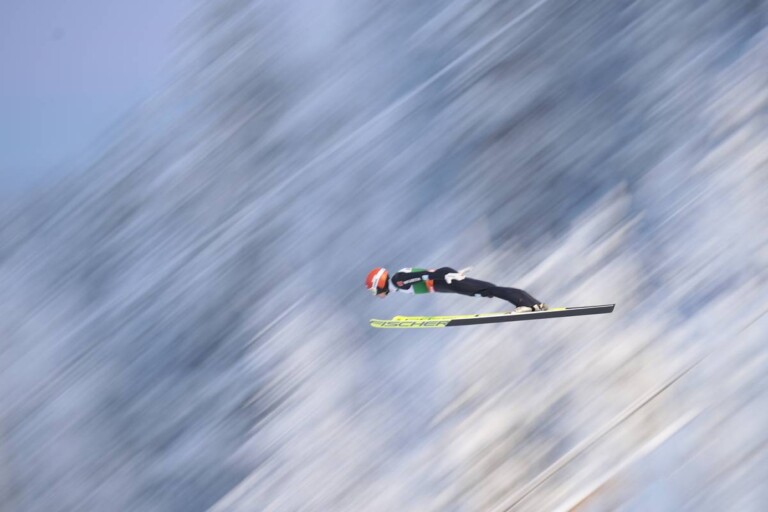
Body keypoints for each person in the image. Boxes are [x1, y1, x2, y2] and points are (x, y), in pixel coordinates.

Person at [365, 267, 548, 312]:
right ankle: (536, 305)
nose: (376, 295)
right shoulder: (398, 283)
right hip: (444, 285)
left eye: (374, 290)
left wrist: (449, 274)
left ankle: (527, 305)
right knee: (490, 290)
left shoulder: (398, 281)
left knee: (488, 290)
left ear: (379, 283)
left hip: (446, 282)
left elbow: (426, 275)